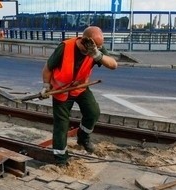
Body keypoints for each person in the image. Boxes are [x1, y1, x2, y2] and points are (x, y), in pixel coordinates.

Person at [41, 26, 118, 166]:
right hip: (61, 91)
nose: (97, 48)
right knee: (61, 125)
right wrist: (46, 86)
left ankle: (83, 138)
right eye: (95, 46)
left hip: (80, 88)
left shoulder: (96, 48)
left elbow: (113, 65)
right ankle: (60, 158)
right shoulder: (65, 47)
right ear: (85, 42)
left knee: (93, 112)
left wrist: (98, 55)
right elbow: (48, 68)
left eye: (98, 46)